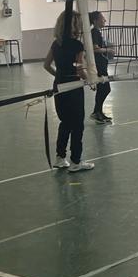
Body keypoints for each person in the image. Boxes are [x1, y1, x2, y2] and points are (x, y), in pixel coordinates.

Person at [43, 10, 94, 172]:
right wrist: (90, 80)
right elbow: (79, 68)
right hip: (73, 87)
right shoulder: (77, 45)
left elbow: (46, 65)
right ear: (74, 24)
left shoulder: (56, 43)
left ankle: (60, 158)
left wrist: (60, 77)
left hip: (58, 87)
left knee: (65, 122)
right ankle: (76, 161)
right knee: (77, 124)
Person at [89, 11, 114, 123]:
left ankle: (98, 112)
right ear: (95, 21)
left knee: (102, 89)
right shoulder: (94, 32)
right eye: (102, 18)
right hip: (98, 66)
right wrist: (108, 50)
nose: (104, 20)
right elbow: (95, 49)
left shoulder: (97, 32)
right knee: (105, 89)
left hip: (101, 64)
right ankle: (96, 112)